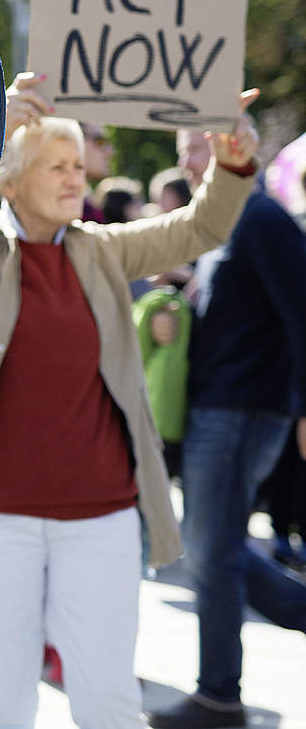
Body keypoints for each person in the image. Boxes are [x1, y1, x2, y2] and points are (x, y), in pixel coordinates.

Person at [0, 72, 259, 729]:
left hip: (102, 520)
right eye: (54, 165)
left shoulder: (102, 250)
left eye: (78, 164)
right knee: (1, 708)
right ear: (12, 180)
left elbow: (201, 228)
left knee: (109, 703)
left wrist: (234, 161)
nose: (74, 177)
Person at [147, 129, 306, 729]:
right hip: (222, 409)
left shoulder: (261, 216)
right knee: (215, 549)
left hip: (243, 413)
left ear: (240, 146)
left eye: (200, 145)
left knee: (213, 551)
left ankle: (219, 697)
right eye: (184, 148)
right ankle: (221, 692)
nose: (188, 160)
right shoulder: (222, 220)